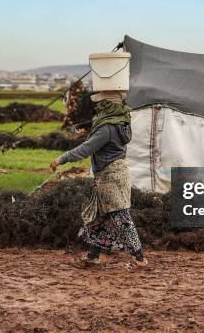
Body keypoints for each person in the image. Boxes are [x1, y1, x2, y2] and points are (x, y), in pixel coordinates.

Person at [50, 90, 147, 268]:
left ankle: (139, 257)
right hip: (116, 173)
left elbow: (85, 149)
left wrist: (61, 159)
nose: (98, 107)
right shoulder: (122, 121)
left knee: (121, 217)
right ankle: (93, 256)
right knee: (98, 216)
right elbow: (97, 123)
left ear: (108, 106)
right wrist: (83, 125)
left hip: (110, 177)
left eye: (102, 104)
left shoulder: (106, 129)